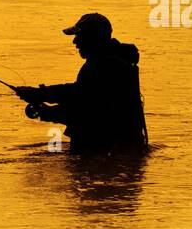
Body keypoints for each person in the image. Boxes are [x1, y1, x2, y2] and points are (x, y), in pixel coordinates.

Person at [15, 13, 149, 154]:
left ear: (93, 38)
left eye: (79, 36)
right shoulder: (113, 62)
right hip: (116, 150)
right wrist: (41, 100)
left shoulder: (107, 65)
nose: (75, 42)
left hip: (104, 151)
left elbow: (84, 107)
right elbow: (83, 100)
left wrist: (41, 103)